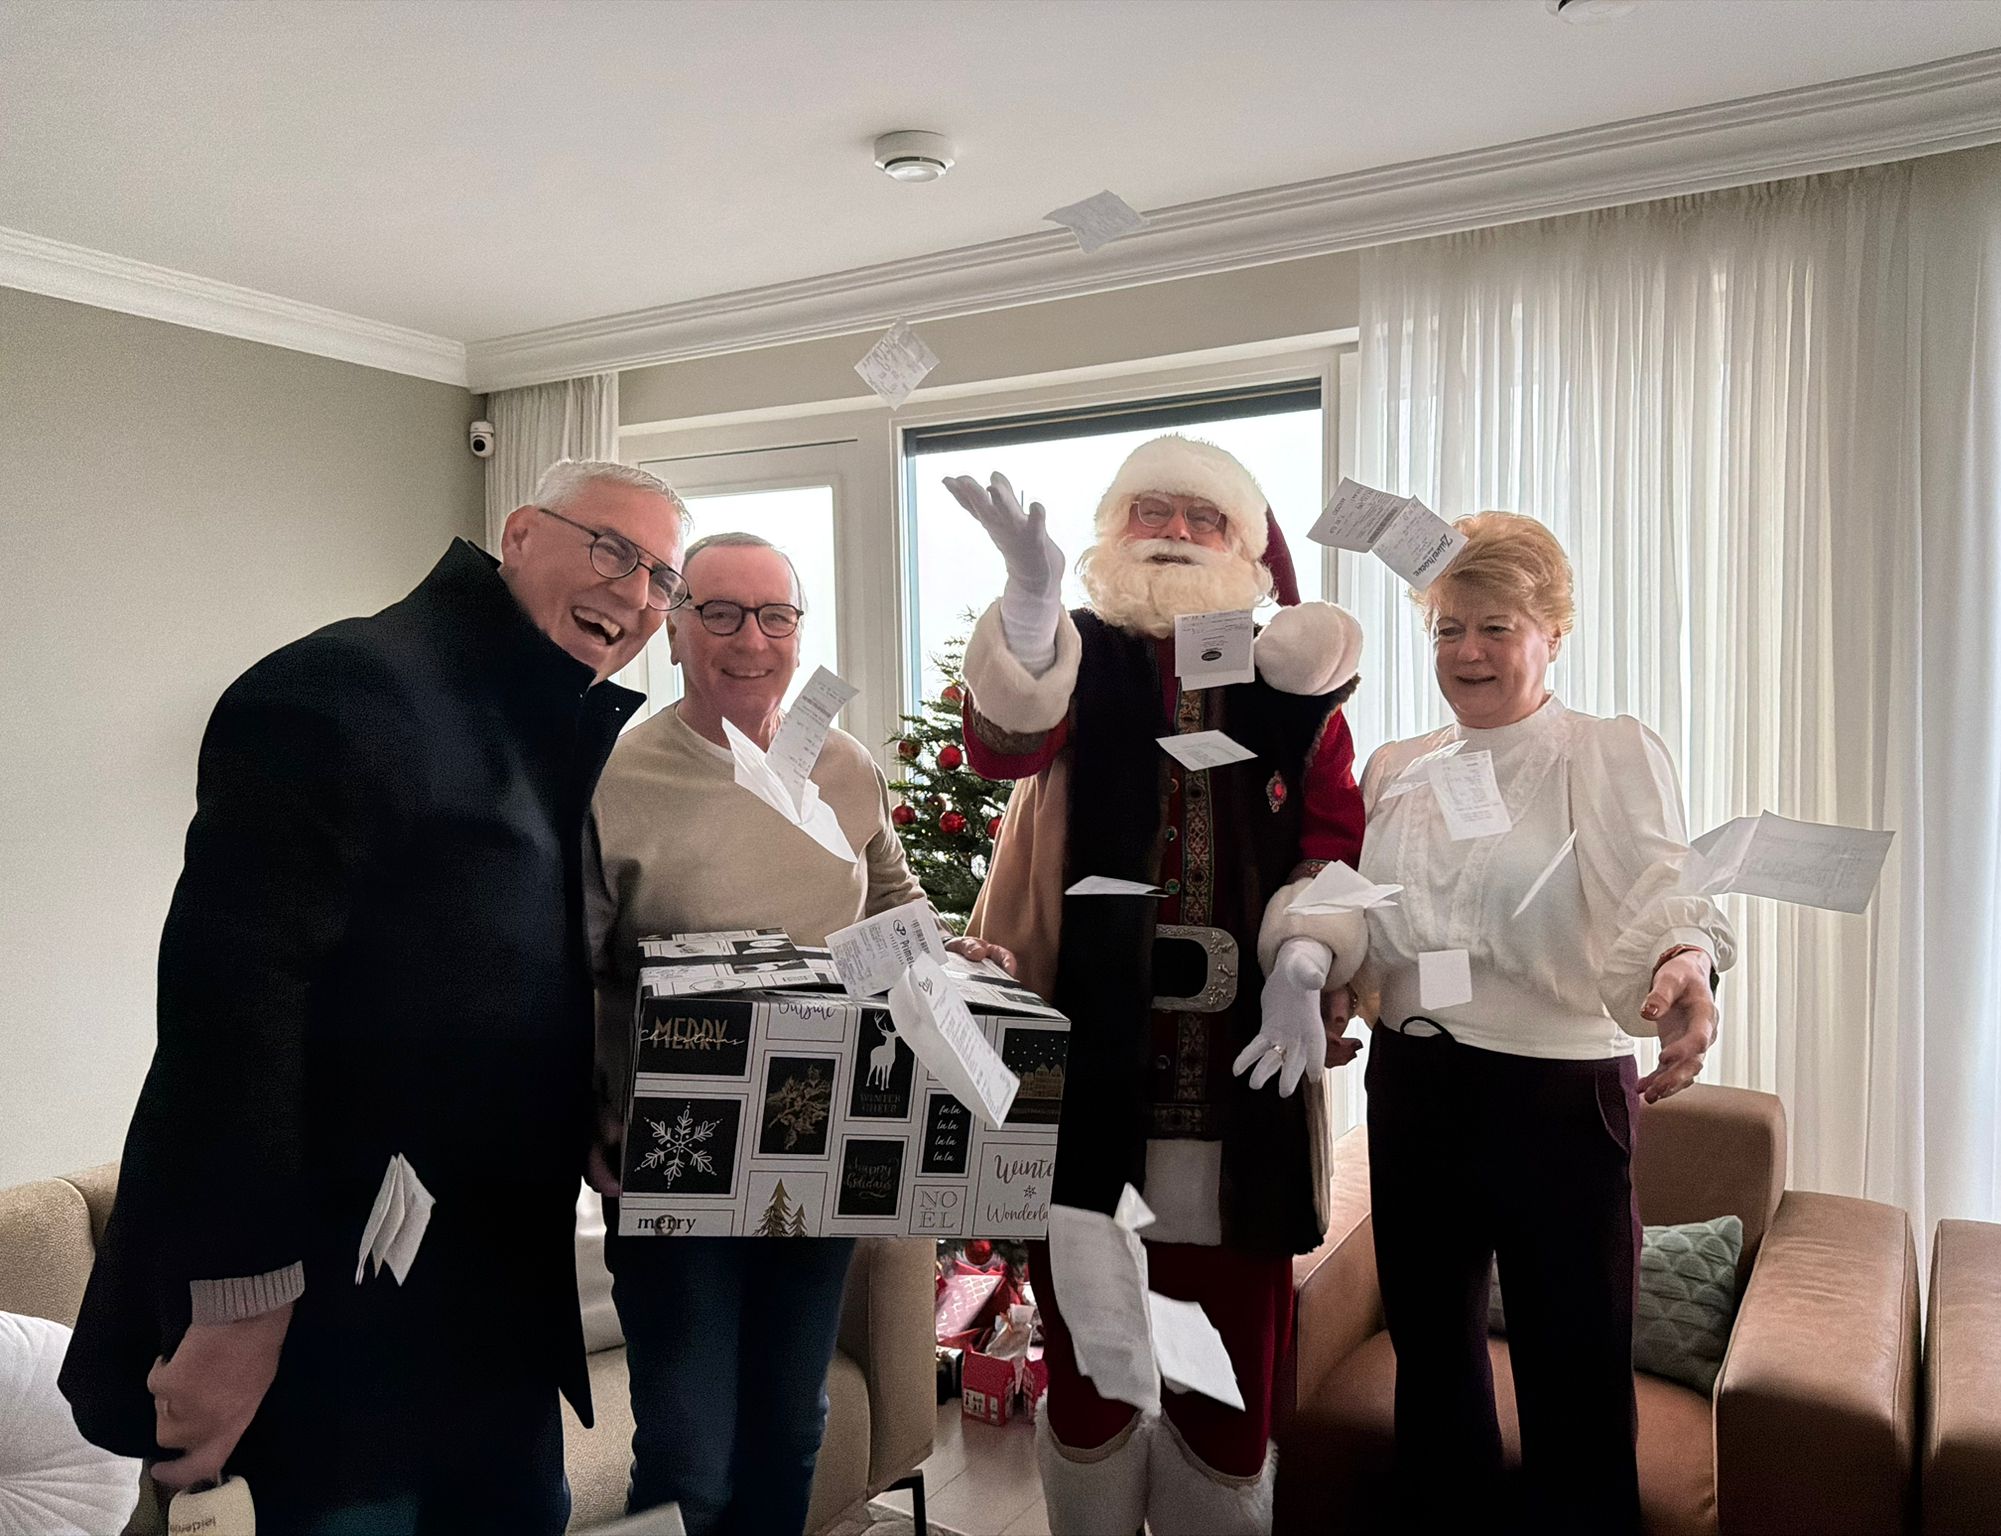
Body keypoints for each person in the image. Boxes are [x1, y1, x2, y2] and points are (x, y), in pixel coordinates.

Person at [59, 459, 689, 1536]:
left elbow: (487, 974)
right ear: (521, 534)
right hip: (339, 1341)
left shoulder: (534, 725)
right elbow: (229, 1017)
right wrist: (237, 1308)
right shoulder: (346, 688)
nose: (633, 594)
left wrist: (584, 1106)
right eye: (611, 551)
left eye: (660, 578)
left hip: (488, 1329)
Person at [953, 436, 1369, 1535]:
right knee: (1089, 1354)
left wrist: (1304, 958)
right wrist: (1032, 608)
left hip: (1244, 1085)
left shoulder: (1292, 693)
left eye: (1203, 519)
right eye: (1153, 512)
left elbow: (1334, 843)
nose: (1174, 535)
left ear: (1247, 551)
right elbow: (1002, 737)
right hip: (1087, 1080)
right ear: (1113, 534)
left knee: (1228, 1368)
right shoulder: (1077, 658)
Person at [583, 530, 1011, 1536]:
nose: (751, 640)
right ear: (675, 631)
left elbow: (890, 899)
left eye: (775, 615)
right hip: (671, 1155)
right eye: (720, 612)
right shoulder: (617, 777)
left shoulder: (842, 763)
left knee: (789, 1421)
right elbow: (572, 968)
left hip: (817, 1143)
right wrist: (592, 1119)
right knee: (685, 1444)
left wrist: (950, 953)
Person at [1353, 511, 1734, 1533]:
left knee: (1572, 1370)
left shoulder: (1600, 752)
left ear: (1551, 633)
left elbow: (1662, 889)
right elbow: (1361, 913)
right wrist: (1331, 982)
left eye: (1494, 627)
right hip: (1409, 1081)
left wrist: (1685, 967)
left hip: (1553, 1095)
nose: (1466, 652)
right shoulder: (1395, 766)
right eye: (1445, 629)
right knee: (1431, 1366)